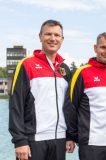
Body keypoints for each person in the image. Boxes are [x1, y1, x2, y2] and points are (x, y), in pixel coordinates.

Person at [9, 19, 74, 160]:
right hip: (33, 140)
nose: (52, 38)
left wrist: (69, 136)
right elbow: (16, 105)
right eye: (48, 34)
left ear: (62, 39)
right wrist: (20, 141)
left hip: (59, 139)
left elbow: (68, 106)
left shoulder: (65, 69)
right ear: (40, 36)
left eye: (57, 35)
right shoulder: (26, 64)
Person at [64, 32, 106, 160]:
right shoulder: (82, 72)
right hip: (92, 143)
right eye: (103, 47)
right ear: (95, 48)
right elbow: (70, 107)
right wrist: (71, 136)